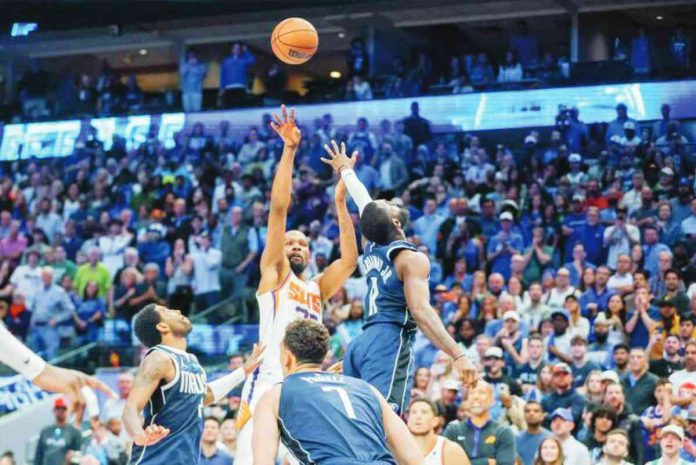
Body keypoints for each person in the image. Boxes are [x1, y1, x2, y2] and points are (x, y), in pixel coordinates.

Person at [236, 106, 358, 464]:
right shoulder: (274, 274)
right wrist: (289, 151)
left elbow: (349, 261)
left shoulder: (316, 289)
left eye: (302, 243)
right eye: (290, 242)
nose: (295, 247)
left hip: (302, 387)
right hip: (266, 384)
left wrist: (340, 201)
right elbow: (278, 209)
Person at [321, 140, 477, 412]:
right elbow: (420, 311)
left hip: (362, 341)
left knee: (359, 419)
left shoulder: (371, 248)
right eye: (389, 205)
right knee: (384, 420)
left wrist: (346, 170)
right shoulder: (411, 259)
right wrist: (458, 353)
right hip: (388, 341)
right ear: (395, 222)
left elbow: (362, 200)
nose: (391, 203)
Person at [252, 319, 424, 465]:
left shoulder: (275, 395)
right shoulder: (366, 389)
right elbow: (413, 457)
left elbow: (262, 462)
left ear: (288, 356)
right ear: (324, 354)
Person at [122, 304, 263, 465]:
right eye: (167, 311)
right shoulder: (159, 358)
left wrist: (243, 371)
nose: (177, 310)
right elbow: (130, 408)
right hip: (156, 459)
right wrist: (139, 435)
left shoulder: (192, 361)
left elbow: (203, 395)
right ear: (162, 326)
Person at [443, 382, 516, 465]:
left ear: (491, 400)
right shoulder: (453, 430)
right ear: (467, 400)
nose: (476, 396)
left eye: (481, 392)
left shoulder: (503, 433)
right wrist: (486, 462)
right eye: (472, 393)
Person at [407, 398, 470, 465]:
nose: (418, 417)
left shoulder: (450, 450)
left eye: (424, 412)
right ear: (408, 420)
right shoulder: (397, 448)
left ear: (435, 421)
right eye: (414, 412)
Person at [34, 397, 83, 465]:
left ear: (68, 411)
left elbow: (77, 455)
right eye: (58, 408)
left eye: (63, 409)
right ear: (54, 411)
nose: (61, 411)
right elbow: (38, 455)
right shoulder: (45, 431)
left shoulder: (74, 432)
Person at [622, 347, 658, 416]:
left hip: (645, 419)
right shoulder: (622, 379)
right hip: (624, 419)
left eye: (639, 357)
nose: (635, 360)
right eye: (632, 357)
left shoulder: (654, 381)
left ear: (645, 360)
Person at [516, 401, 551, 465]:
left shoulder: (551, 438)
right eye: (527, 411)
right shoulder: (516, 438)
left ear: (542, 416)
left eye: (536, 411)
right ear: (523, 415)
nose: (531, 413)